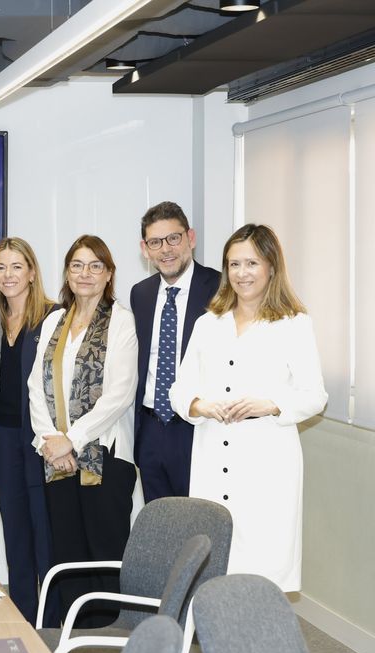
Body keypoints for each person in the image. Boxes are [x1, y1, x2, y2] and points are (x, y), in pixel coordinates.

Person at [170, 224, 326, 592]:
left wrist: (270, 404)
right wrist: (200, 405)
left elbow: (315, 395)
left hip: (266, 466)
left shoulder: (294, 324)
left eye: (252, 263)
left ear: (271, 266)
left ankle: (256, 647)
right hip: (211, 461)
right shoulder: (208, 324)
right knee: (212, 569)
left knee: (260, 574)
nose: (242, 273)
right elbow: (179, 390)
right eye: (234, 264)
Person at [28, 234, 138, 628]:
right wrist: (49, 441)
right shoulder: (55, 319)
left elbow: (119, 394)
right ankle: (76, 643)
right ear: (67, 273)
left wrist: (69, 440)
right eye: (77, 265)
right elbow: (35, 386)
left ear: (109, 274)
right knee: (69, 556)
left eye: (95, 266)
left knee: (104, 554)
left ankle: (109, 646)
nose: (85, 273)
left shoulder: (121, 320)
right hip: (57, 460)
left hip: (104, 458)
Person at [0, 236, 59, 626]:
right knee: (15, 541)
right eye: (1, 267)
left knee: (44, 541)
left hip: (40, 442)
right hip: (2, 441)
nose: (8, 275)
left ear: (31, 273)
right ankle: (22, 624)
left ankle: (49, 630)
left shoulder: (53, 317)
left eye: (17, 266)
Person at [130, 201, 220, 502]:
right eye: (156, 242)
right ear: (145, 249)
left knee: (200, 528)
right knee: (160, 529)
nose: (166, 249)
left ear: (190, 238)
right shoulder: (140, 294)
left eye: (174, 238)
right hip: (151, 429)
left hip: (197, 427)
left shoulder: (221, 288)